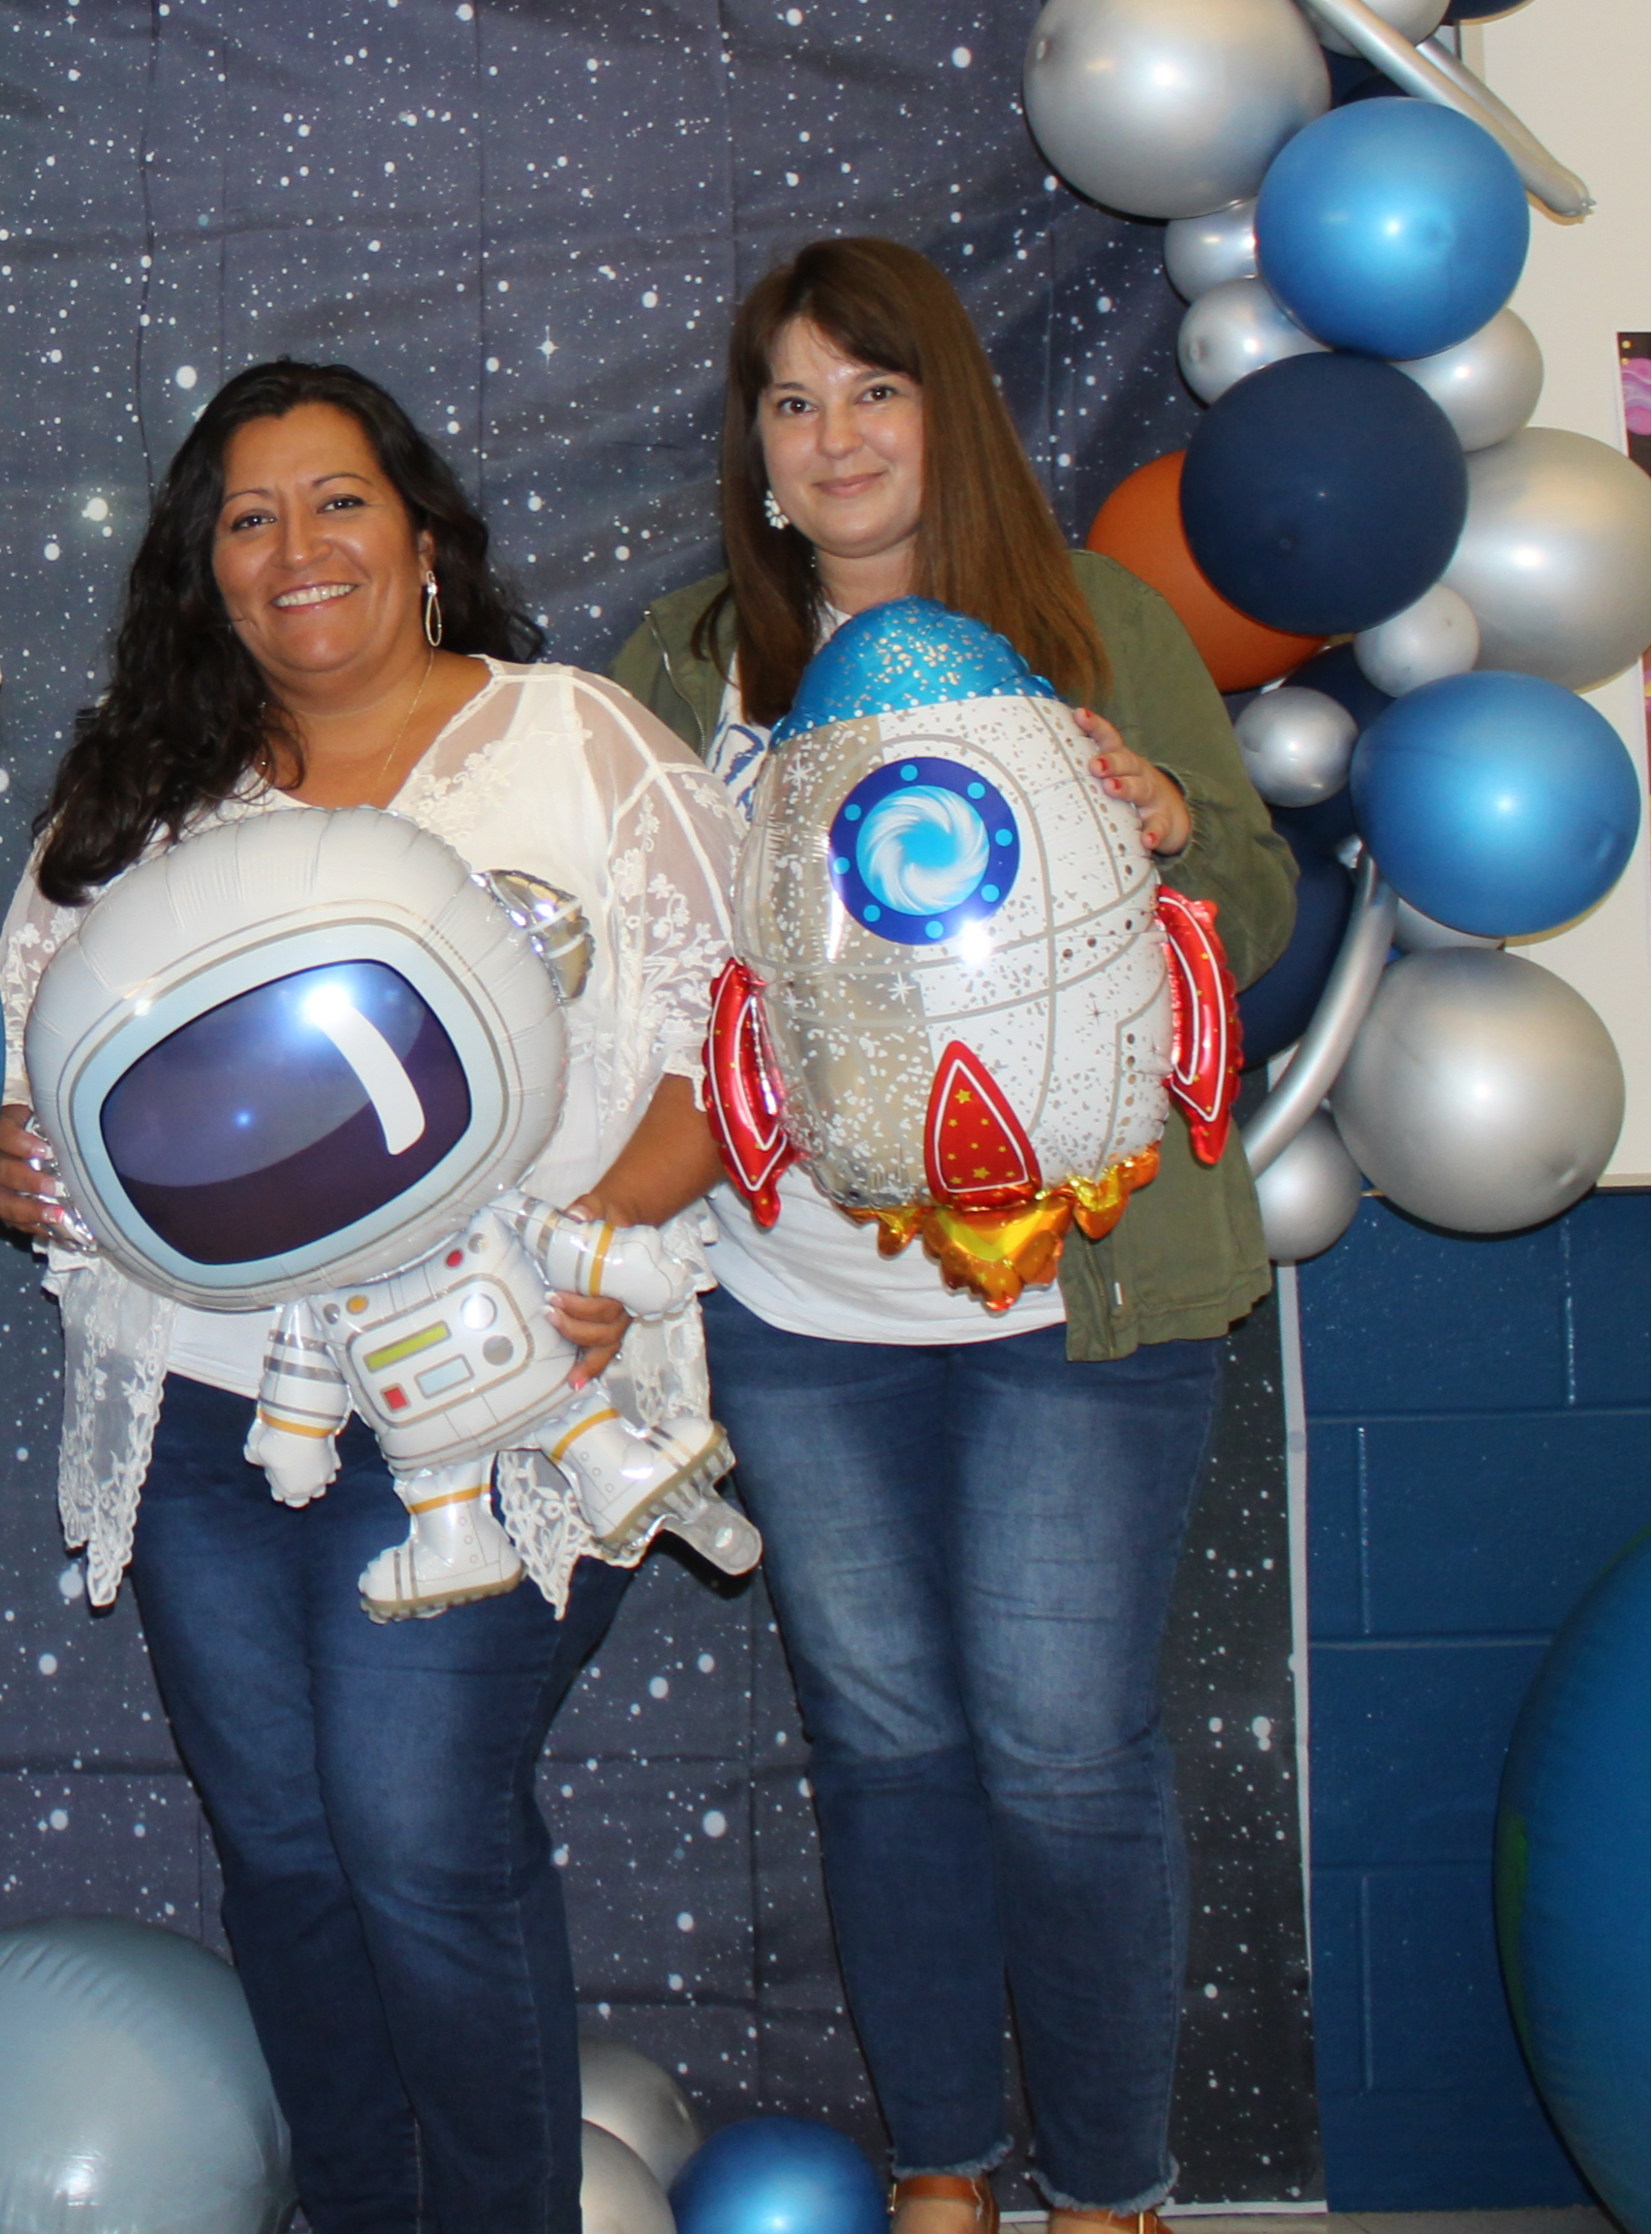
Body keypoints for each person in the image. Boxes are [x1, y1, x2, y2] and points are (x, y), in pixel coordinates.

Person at [0, 357, 743, 2234]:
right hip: (206, 1417)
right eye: (247, 518)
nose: (294, 548)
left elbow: (729, 1043)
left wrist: (594, 1257)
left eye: (335, 501)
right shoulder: (142, 794)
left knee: (416, 1842)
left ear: (421, 536)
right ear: (203, 568)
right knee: (293, 1863)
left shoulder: (573, 743)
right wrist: (12, 1165)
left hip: (491, 1406)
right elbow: (22, 1061)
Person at [605, 238, 1293, 2234]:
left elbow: (1245, 912)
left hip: (1081, 1303)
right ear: (752, 447)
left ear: (949, 413)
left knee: (1066, 1752)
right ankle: (940, 2170)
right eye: (791, 402)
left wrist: (1165, 831)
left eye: (870, 391)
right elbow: (647, 984)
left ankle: (1108, 2191)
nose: (830, 438)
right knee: (886, 1750)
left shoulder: (1090, 625)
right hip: (802, 1311)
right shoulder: (685, 670)